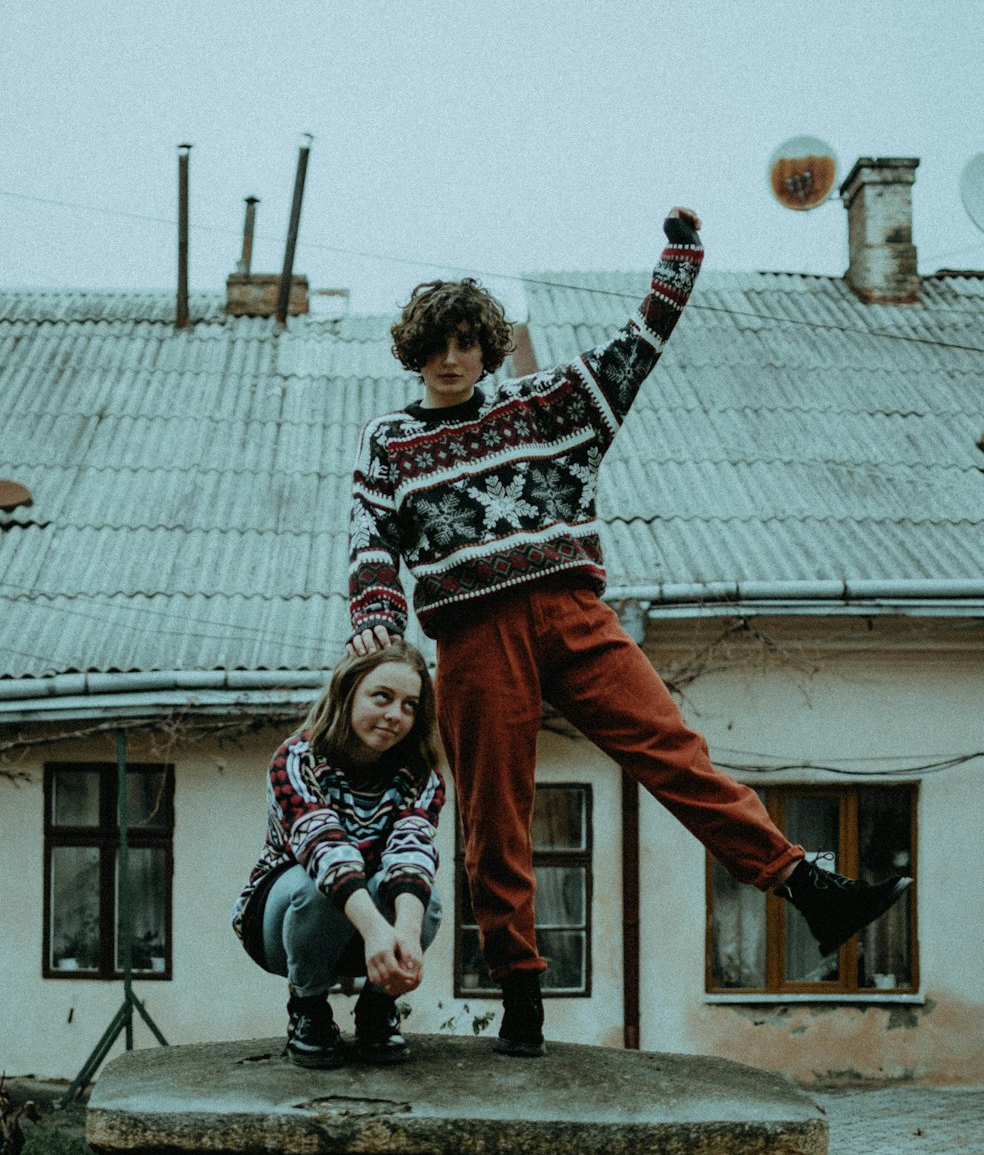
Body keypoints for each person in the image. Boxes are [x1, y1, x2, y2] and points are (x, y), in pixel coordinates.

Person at [347, 208, 911, 1057]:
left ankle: (807, 885)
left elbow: (636, 347)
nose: (452, 358)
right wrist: (379, 621)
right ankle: (522, 995)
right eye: (437, 345)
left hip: (573, 611)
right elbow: (370, 539)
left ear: (487, 348)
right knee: (496, 815)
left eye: (467, 342)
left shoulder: (549, 408)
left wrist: (678, 260)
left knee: (673, 749)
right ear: (415, 351)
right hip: (473, 633)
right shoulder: (391, 440)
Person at [232, 641, 446, 1068]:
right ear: (347, 692)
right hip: (282, 926)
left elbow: (413, 849)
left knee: (427, 902)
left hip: (365, 936)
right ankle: (308, 1010)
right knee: (319, 886)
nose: (394, 715)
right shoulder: (296, 760)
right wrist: (377, 930)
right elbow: (324, 846)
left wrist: (405, 934)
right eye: (382, 696)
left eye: (409, 705)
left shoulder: (420, 775)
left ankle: (376, 1009)